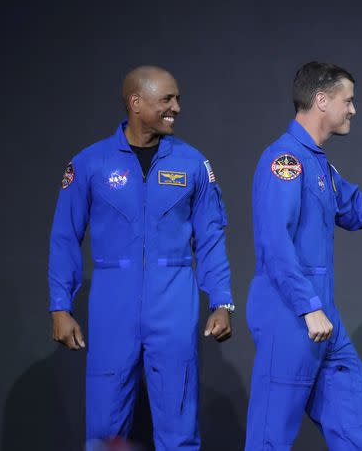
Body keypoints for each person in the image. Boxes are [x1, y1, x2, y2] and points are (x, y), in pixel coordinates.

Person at [244, 61, 362, 450]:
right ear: (321, 100)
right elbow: (275, 243)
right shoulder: (285, 161)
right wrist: (307, 306)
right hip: (291, 314)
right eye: (347, 101)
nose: (353, 109)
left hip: (322, 316)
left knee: (358, 430)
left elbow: (358, 209)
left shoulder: (319, 164)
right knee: (270, 437)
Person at [48, 66, 234, 450]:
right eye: (167, 99)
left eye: (177, 98)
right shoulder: (90, 163)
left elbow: (211, 238)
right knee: (105, 429)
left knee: (179, 428)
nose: (176, 108)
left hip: (174, 302)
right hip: (113, 303)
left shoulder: (193, 164)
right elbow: (65, 237)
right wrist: (59, 307)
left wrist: (221, 300)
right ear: (136, 103)